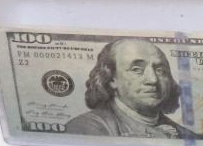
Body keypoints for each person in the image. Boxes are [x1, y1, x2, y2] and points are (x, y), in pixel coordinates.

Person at [64, 38, 194, 139]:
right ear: (112, 79)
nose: (153, 80)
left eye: (160, 70)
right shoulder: (85, 128)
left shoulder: (188, 136)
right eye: (136, 69)